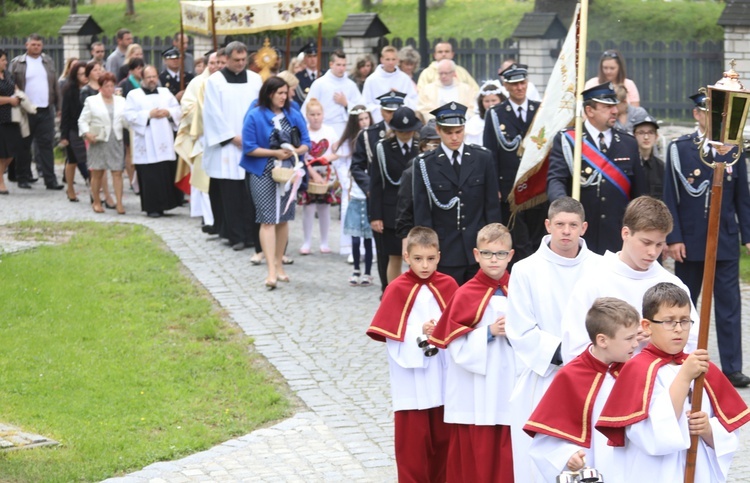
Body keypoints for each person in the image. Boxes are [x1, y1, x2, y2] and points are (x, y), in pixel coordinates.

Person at [596, 283, 750, 482]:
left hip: (700, 472)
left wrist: (708, 430)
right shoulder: (637, 369)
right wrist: (684, 377)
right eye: (669, 321)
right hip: (655, 473)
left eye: (684, 321)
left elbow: (729, 435)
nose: (679, 329)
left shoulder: (702, 367)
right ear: (647, 326)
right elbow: (650, 435)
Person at [505, 197, 600, 480]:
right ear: (548, 225)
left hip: (592, 378)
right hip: (545, 376)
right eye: (560, 224)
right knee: (541, 465)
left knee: (588, 458)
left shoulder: (601, 267)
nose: (566, 231)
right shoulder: (525, 270)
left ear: (584, 227)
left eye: (573, 225)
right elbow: (520, 330)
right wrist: (569, 354)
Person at [663, 91, 750, 387]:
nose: (713, 120)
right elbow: (670, 196)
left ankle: (732, 367)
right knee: (683, 306)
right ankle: (681, 360)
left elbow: (743, 200)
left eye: (719, 115)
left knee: (729, 306)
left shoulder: (734, 151)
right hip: (689, 241)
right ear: (697, 115)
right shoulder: (680, 149)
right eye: (708, 113)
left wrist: (747, 235)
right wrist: (673, 237)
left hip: (724, 241)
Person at [366, 226, 458, 482]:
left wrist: (439, 330)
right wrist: (421, 332)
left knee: (444, 440)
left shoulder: (448, 285)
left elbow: (459, 326)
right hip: (411, 383)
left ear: (439, 256)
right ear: (406, 257)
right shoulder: (396, 288)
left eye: (430, 259)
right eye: (418, 259)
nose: (425, 265)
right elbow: (391, 335)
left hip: (442, 376)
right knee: (412, 447)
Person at [560, 196, 699, 363]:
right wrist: (619, 341)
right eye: (646, 242)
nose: (653, 253)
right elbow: (573, 349)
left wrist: (660, 339)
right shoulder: (593, 282)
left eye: (659, 244)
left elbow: (693, 342)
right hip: (609, 384)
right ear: (625, 233)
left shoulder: (673, 285)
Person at [428, 223, 515, 483]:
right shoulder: (465, 293)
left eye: (500, 254)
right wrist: (488, 331)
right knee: (474, 456)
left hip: (510, 381)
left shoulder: (521, 291)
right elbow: (455, 346)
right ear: (476, 255)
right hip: (475, 389)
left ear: (511, 255)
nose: (494, 260)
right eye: (488, 253)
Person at [524, 297, 640, 483]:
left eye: (636, 336)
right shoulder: (570, 376)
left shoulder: (635, 371)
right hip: (592, 469)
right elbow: (545, 442)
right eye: (629, 338)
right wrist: (567, 456)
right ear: (602, 340)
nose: (636, 344)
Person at [547, 81, 646, 255]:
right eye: (607, 107)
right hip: (581, 233)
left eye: (614, 105)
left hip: (617, 234)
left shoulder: (628, 143)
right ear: (589, 111)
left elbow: (640, 193)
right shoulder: (568, 140)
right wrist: (564, 211)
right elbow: (556, 179)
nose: (615, 110)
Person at [412, 102, 502, 285]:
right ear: (438, 130)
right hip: (445, 248)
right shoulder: (424, 164)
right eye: (448, 132)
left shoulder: (482, 158)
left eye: (459, 131)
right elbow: (422, 212)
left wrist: (494, 246)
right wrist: (428, 251)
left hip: (478, 246)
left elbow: (491, 206)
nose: (454, 137)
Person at [242, 76, 310, 289]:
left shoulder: (293, 114)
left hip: (288, 171)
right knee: (268, 219)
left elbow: (306, 142)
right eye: (279, 93)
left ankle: (280, 264)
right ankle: (270, 269)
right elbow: (249, 147)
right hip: (262, 171)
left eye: (285, 92)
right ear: (269, 93)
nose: (284, 96)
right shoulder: (254, 115)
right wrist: (275, 153)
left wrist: (293, 151)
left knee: (283, 219)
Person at [203, 41, 262, 251]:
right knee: (231, 193)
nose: (240, 64)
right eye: (236, 60)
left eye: (243, 60)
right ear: (226, 59)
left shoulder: (255, 80)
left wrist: (252, 136)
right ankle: (235, 235)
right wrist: (231, 137)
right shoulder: (215, 81)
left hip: (250, 143)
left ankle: (252, 236)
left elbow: (260, 108)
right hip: (227, 145)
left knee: (250, 194)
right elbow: (211, 113)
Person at [484, 63, 542, 262]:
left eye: (523, 82)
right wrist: (494, 187)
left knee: (537, 239)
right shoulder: (495, 113)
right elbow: (490, 153)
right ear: (506, 86)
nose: (520, 87)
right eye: (515, 84)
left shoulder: (539, 110)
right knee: (517, 241)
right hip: (509, 188)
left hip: (536, 187)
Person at [350, 91, 404, 288]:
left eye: (396, 111)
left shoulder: (412, 131)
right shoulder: (369, 134)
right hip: (380, 197)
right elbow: (357, 166)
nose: (392, 116)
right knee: (384, 251)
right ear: (382, 111)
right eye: (388, 111)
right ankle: (386, 288)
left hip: (406, 199)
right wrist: (369, 188)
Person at [370, 106, 422, 285]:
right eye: (401, 131)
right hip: (391, 211)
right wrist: (375, 215)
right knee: (394, 256)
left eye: (408, 131)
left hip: (416, 209)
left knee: (417, 256)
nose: (405, 134)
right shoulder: (383, 148)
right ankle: (392, 295)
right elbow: (376, 183)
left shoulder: (420, 146)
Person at [123, 65, 183, 218]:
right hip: (146, 140)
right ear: (142, 78)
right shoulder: (133, 95)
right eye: (148, 77)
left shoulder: (165, 92)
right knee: (150, 175)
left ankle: (166, 205)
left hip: (163, 138)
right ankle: (152, 208)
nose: (152, 80)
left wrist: (168, 112)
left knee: (164, 172)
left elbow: (178, 110)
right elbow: (129, 115)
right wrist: (148, 114)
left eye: (154, 76)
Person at [9, 33, 63, 190]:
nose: (36, 47)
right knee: (24, 144)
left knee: (46, 144)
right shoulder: (17, 63)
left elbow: (55, 86)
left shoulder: (48, 62)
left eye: (39, 45)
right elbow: (10, 84)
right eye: (33, 44)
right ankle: (23, 177)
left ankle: (50, 179)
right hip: (25, 109)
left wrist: (58, 107)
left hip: (46, 109)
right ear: (27, 45)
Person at [174, 51, 218, 237]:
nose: (216, 66)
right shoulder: (198, 83)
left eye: (220, 62)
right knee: (204, 181)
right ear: (208, 64)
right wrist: (203, 114)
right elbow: (187, 107)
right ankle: (208, 219)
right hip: (202, 136)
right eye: (213, 63)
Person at [79, 72, 128, 214]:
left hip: (116, 139)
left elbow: (125, 120)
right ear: (100, 88)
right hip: (99, 139)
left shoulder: (121, 101)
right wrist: (87, 133)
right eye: (106, 86)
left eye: (112, 86)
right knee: (98, 172)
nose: (110, 89)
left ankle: (119, 203)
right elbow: (82, 120)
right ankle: (96, 201)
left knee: (117, 172)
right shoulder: (91, 101)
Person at [299, 98, 339, 255]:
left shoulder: (329, 131)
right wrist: (312, 172)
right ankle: (307, 241)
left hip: (326, 171)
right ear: (307, 116)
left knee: (325, 208)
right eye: (312, 114)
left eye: (318, 114)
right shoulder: (305, 132)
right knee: (308, 208)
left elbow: (337, 152)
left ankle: (324, 241)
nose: (316, 117)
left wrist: (327, 158)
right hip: (309, 171)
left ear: (323, 115)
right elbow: (302, 156)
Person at [339, 106, 374, 284]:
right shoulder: (351, 142)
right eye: (360, 120)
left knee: (368, 238)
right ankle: (356, 269)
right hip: (353, 192)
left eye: (366, 118)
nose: (364, 123)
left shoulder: (374, 140)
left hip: (367, 195)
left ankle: (367, 271)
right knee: (355, 237)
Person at [395, 120, 442, 245]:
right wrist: (405, 239)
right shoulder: (412, 173)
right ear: (423, 146)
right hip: (423, 238)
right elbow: (404, 211)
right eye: (435, 145)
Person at [301, 49, 363, 138]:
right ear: (331, 64)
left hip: (345, 129)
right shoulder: (319, 84)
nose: (341, 68)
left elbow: (361, 108)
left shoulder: (351, 85)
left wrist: (346, 103)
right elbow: (307, 108)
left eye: (344, 65)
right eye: (338, 65)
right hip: (324, 128)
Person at [362, 46, 418, 123]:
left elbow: (415, 102)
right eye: (387, 59)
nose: (390, 62)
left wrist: (400, 97)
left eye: (393, 59)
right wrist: (385, 109)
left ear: (397, 60)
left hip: (401, 121)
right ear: (381, 60)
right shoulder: (371, 80)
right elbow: (366, 104)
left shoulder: (405, 78)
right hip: (379, 121)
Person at [59, 61, 89, 201]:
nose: (84, 76)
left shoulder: (90, 89)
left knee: (87, 160)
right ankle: (70, 187)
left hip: (88, 129)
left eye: (85, 73)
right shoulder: (70, 90)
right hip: (73, 129)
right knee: (72, 160)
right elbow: (65, 114)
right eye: (81, 74)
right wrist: (64, 135)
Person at [0, 49, 21, 195]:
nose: (6, 62)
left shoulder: (7, 74)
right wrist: (9, 100)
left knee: (12, 151)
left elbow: (14, 87)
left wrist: (19, 94)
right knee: (2, 152)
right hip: (1, 119)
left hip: (12, 117)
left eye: (5, 59)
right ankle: (0, 181)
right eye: (3, 60)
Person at [632, 111, 663, 199]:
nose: (646, 137)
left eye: (650, 133)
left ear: (656, 136)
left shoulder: (662, 169)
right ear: (634, 136)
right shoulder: (628, 166)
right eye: (641, 133)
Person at [464, 80, 505, 146]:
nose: (490, 104)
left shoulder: (506, 118)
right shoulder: (475, 121)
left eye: (494, 100)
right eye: (487, 101)